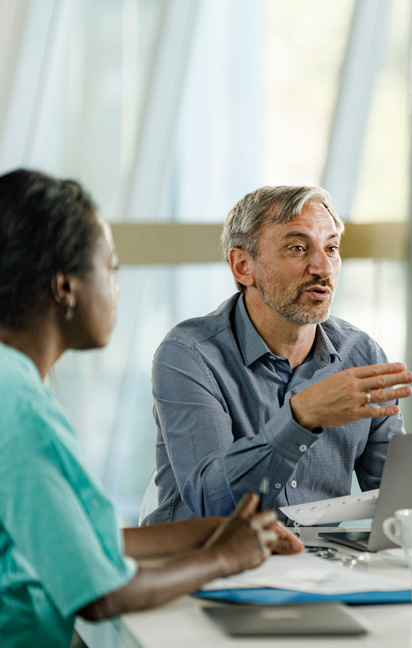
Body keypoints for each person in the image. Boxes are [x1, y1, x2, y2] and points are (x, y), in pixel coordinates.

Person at [0, 169, 304, 648]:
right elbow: (102, 594)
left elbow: (83, 545)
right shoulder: (18, 408)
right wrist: (225, 556)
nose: (116, 288)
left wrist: (218, 531)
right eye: (110, 270)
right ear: (65, 287)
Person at [145, 185, 412, 524]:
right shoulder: (190, 354)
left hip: (318, 569)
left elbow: (399, 501)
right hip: (209, 566)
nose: (323, 268)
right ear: (243, 266)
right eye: (298, 248)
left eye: (331, 248)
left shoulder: (361, 354)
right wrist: (301, 417)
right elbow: (213, 503)